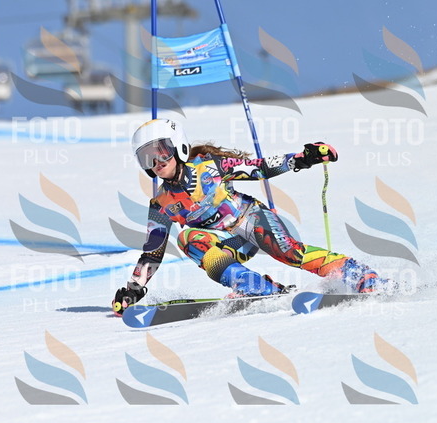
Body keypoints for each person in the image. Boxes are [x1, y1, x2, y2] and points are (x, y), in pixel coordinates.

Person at [112, 118, 385, 315]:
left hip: (251, 220)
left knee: (289, 253)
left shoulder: (210, 166)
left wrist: (302, 158)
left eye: (161, 152)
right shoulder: (160, 204)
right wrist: (134, 288)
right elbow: (152, 253)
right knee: (188, 239)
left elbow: (259, 168)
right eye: (146, 158)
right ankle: (257, 287)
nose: (156, 163)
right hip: (228, 241)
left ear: (178, 146)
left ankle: (359, 274)